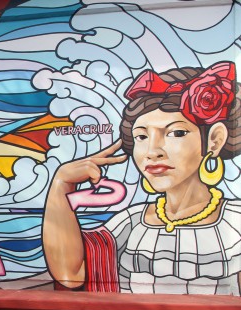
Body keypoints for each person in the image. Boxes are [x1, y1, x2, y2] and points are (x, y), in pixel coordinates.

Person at [43, 61, 240, 295]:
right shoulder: (132, 223)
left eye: (176, 133)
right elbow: (71, 274)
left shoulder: (234, 223)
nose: (152, 151)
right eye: (142, 137)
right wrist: (62, 184)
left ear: (215, 140)